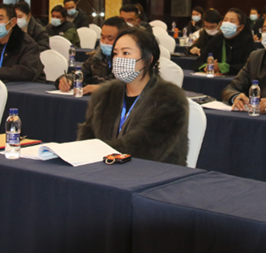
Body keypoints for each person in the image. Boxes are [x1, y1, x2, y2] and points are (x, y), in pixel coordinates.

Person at [77, 28, 189, 165]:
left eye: (126, 53)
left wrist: (95, 151)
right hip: (104, 166)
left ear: (148, 59)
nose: (118, 59)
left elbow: (145, 149)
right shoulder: (105, 94)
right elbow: (87, 136)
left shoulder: (170, 98)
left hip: (153, 171)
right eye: (115, 53)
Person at [57, 17, 128, 95]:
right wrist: (67, 80)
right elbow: (80, 73)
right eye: (102, 37)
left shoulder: (130, 60)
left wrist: (100, 88)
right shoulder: (96, 58)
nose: (105, 42)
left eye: (110, 39)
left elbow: (129, 87)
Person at [195, 8, 255, 76]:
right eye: (225, 20)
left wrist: (224, 68)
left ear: (241, 27)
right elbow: (198, 62)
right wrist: (207, 67)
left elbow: (250, 66)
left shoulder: (247, 41)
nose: (227, 23)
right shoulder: (216, 40)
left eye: (232, 21)